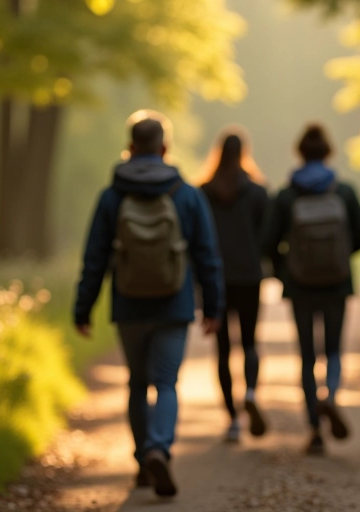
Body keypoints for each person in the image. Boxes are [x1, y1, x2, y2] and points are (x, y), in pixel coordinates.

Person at [73, 110, 224, 498]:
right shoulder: (185, 193)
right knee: (167, 382)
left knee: (137, 383)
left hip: (129, 304)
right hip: (174, 304)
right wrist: (213, 306)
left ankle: (142, 461)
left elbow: (95, 257)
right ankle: (160, 447)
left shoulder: (112, 195)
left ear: (130, 147)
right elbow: (207, 253)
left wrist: (83, 307)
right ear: (165, 147)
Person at [264, 123, 360, 456]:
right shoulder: (344, 191)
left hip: (300, 285)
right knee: (334, 349)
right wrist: (339, 256)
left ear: (300, 153)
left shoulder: (286, 194)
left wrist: (287, 267)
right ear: (328, 152)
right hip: (337, 283)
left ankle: (314, 428)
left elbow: (267, 242)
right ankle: (332, 397)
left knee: (308, 355)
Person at [199, 127, 270, 443]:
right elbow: (267, 237)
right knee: (251, 342)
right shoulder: (257, 192)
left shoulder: (203, 192)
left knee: (223, 349)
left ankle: (231, 419)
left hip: (217, 277)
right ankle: (251, 392)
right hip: (249, 276)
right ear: (244, 152)